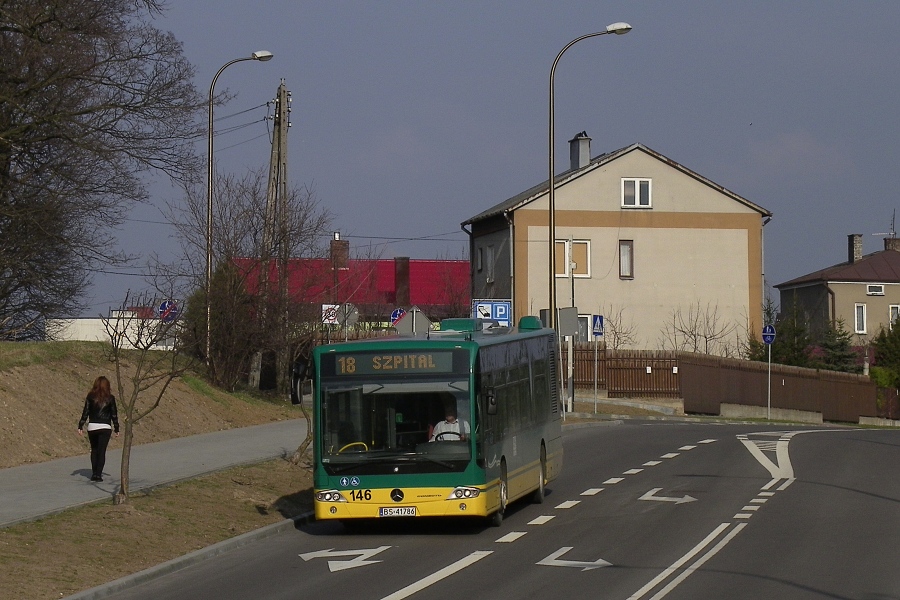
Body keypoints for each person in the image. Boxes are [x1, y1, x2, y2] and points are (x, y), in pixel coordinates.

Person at [77, 376, 120, 482]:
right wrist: (116, 428)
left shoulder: (91, 396)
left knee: (94, 450)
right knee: (102, 451)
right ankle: (98, 474)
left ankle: (94, 473)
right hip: (105, 427)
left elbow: (85, 411)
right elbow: (114, 414)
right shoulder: (110, 398)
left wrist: (81, 425)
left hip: (92, 426)